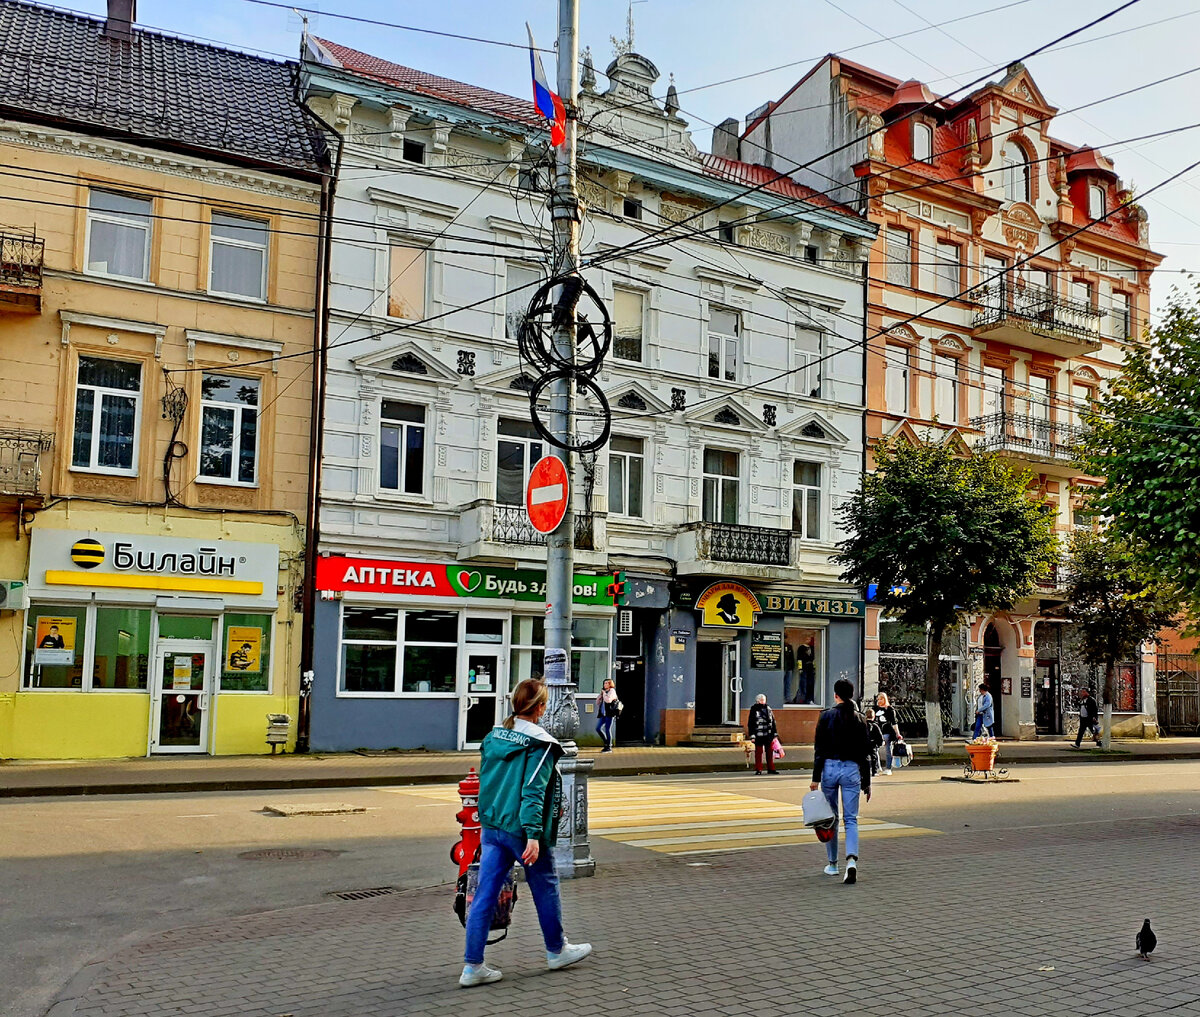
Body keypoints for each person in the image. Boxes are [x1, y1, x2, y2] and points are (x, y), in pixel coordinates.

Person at [460, 678, 591, 988]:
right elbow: (532, 791)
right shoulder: (541, 743)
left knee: (484, 895)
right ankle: (556, 950)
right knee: (546, 886)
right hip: (521, 830)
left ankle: (472, 966)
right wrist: (533, 835)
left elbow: (490, 780)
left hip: (493, 826)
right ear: (541, 708)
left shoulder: (495, 736)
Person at [810, 678, 873, 884]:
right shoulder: (860, 719)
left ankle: (833, 864)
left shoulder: (825, 717)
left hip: (829, 768)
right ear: (851, 695)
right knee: (851, 819)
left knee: (831, 818)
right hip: (852, 770)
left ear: (835, 695)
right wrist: (867, 782)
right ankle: (852, 862)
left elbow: (819, 750)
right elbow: (866, 752)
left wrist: (815, 779)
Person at [746, 693, 779, 776]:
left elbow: (773, 722)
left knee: (769, 752)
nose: (763, 701)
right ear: (757, 701)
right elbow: (751, 723)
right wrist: (752, 735)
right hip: (758, 735)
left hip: (768, 735)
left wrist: (774, 733)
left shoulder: (768, 709)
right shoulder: (754, 709)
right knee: (758, 753)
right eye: (761, 700)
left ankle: (771, 769)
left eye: (764, 700)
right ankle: (758, 769)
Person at [874, 693, 902, 775]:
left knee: (888, 750)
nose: (879, 701)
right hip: (876, 732)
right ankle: (878, 767)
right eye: (878, 699)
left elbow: (894, 723)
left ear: (885, 699)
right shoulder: (875, 708)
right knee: (874, 750)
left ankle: (888, 768)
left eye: (881, 699)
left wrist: (898, 734)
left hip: (887, 732)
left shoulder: (890, 709)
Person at [594, 678, 619, 753]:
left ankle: (609, 746)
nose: (605, 685)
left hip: (609, 714)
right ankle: (606, 742)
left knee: (607, 729)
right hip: (603, 714)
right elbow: (598, 703)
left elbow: (608, 700)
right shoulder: (604, 692)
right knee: (598, 728)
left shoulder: (612, 691)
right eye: (604, 683)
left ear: (610, 684)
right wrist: (600, 696)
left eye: (607, 683)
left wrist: (604, 694)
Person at [864, 707, 885, 777]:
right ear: (874, 716)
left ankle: (865, 771)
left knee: (864, 758)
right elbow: (879, 736)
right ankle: (874, 771)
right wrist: (880, 743)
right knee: (874, 758)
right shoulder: (875, 725)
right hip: (873, 744)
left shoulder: (863, 724)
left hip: (864, 744)